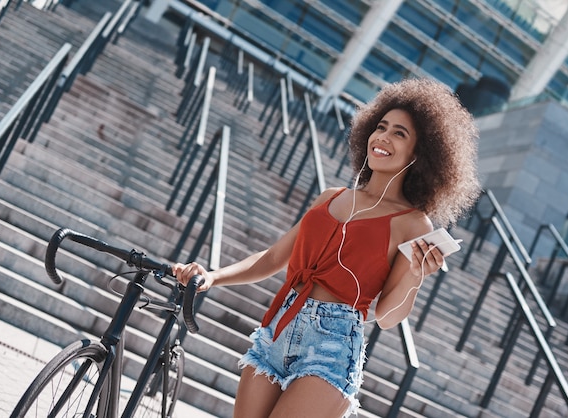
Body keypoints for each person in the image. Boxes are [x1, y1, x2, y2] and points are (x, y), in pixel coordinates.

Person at [173, 77, 481, 418]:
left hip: (333, 344)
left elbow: (386, 316)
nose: (383, 137)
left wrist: (414, 276)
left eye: (399, 133)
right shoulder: (330, 197)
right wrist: (213, 277)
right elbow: (274, 258)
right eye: (381, 126)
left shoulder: (413, 224)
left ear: (420, 154)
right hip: (278, 326)